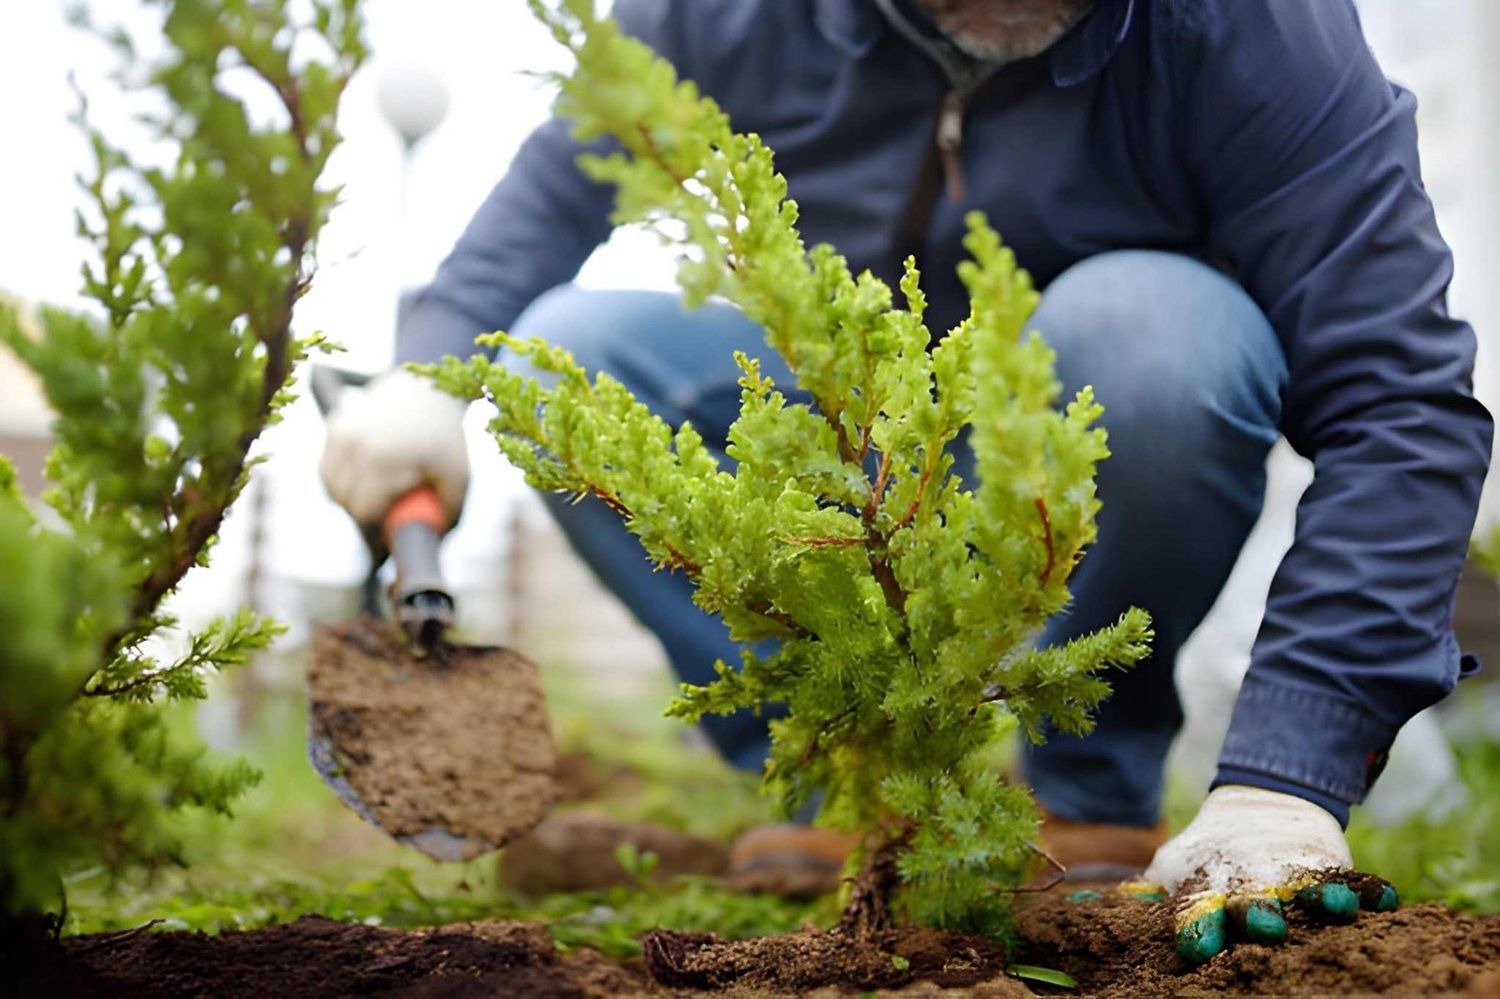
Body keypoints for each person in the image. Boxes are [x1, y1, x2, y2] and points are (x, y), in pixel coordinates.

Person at [321, 0, 1492, 958]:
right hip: (848, 429)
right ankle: (839, 773)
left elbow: (1397, 398)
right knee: (559, 360)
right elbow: (556, 189)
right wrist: (429, 371)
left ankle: (1090, 783)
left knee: (1157, 336)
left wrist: (1288, 779)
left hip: (1088, 435)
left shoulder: (1258, 29)